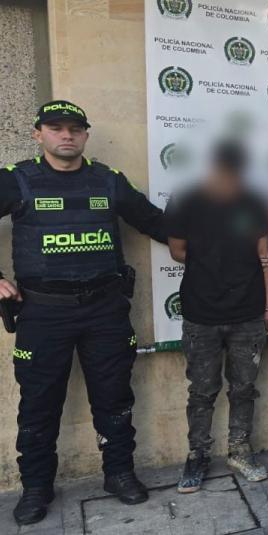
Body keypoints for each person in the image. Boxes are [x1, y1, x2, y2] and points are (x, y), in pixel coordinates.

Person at [1, 101, 166, 525]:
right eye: (56, 127)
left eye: (75, 128)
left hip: (105, 310)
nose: (66, 135)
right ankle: (36, 486)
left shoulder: (108, 180)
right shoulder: (17, 179)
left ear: (85, 135)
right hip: (43, 313)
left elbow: (155, 222)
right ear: (38, 134)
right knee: (39, 403)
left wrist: (220, 232)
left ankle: (119, 473)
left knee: (115, 397)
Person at [165, 140, 268, 492]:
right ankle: (197, 455)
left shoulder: (254, 202)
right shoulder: (186, 200)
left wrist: (266, 307)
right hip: (201, 313)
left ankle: (240, 451)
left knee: (244, 388)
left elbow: (263, 253)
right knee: (202, 390)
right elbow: (177, 251)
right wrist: (215, 261)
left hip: (248, 312)